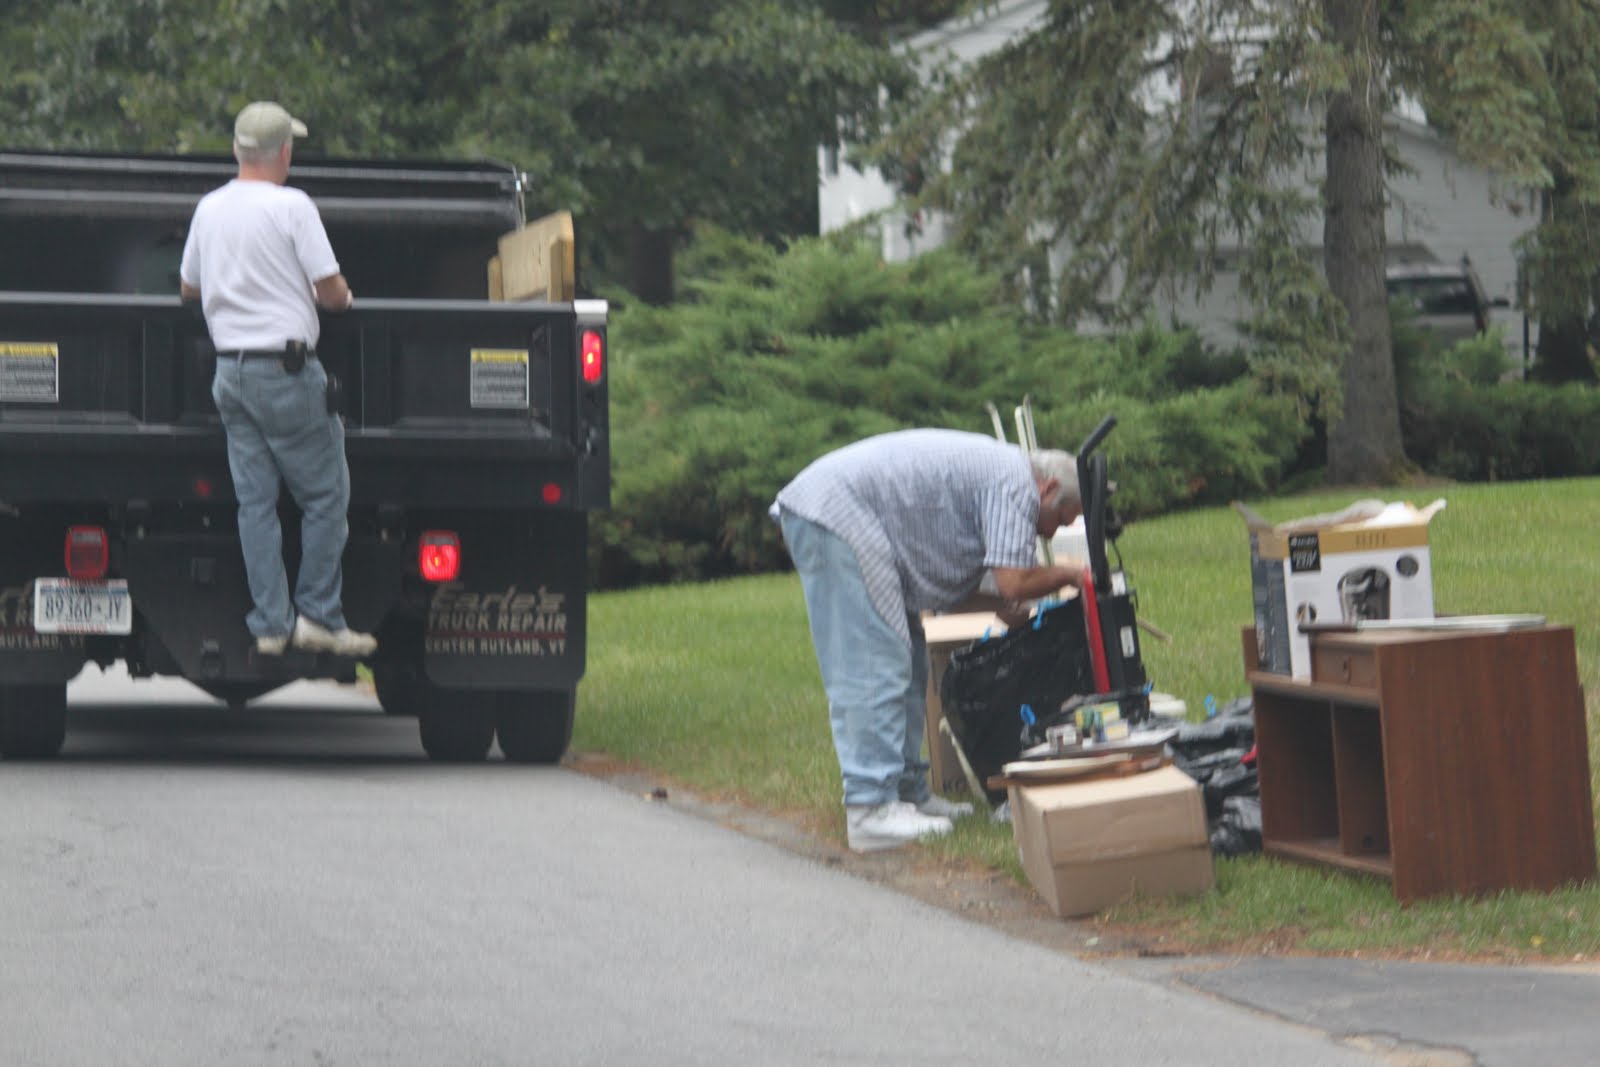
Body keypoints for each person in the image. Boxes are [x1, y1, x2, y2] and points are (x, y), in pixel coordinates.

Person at [774, 429, 1086, 853]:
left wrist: (996, 604)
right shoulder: (1016, 482)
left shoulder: (1005, 475)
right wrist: (1072, 575)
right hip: (836, 514)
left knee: (911, 662)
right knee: (872, 662)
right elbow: (1015, 580)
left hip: (853, 514)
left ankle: (906, 793)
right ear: (1047, 489)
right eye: (1063, 519)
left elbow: (980, 584)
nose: (1053, 535)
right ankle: (870, 809)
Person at [179, 101, 376, 658]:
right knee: (325, 496)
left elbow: (189, 289)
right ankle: (318, 615)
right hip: (284, 373)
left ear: (238, 151)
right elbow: (331, 290)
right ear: (283, 152)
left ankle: (269, 623)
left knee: (255, 505)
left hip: (230, 375)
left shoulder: (210, 208)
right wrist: (341, 298)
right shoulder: (293, 206)